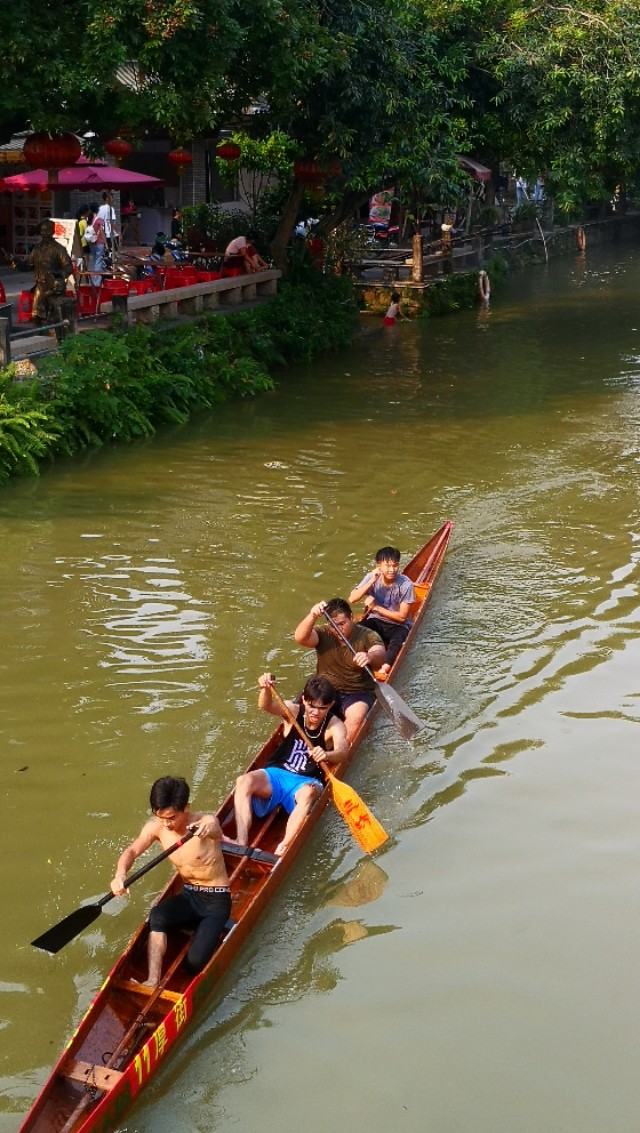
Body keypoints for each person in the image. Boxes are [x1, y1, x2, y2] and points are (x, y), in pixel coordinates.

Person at [110, 776, 231, 987]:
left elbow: (215, 829)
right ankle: (152, 980)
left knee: (194, 964)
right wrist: (120, 875)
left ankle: (203, 931)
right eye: (161, 817)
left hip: (216, 901)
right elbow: (132, 850)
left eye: (172, 817)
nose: (166, 824)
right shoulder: (156, 827)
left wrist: (206, 829)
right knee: (157, 916)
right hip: (189, 895)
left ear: (186, 807)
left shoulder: (204, 821)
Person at [233, 674, 348, 857]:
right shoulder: (293, 711)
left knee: (308, 793)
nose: (315, 713)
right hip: (277, 774)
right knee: (243, 780)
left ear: (331, 705)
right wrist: (264, 689)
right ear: (304, 700)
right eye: (311, 706)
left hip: (306, 782)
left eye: (322, 708)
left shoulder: (335, 725)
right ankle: (241, 842)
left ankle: (283, 847)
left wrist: (327, 754)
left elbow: (343, 752)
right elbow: (266, 705)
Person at [294, 598, 385, 741]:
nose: (338, 630)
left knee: (356, 717)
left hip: (357, 692)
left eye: (342, 624)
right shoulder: (324, 632)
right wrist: (312, 616)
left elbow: (380, 654)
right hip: (325, 689)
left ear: (351, 617)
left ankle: (337, 753)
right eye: (334, 625)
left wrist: (369, 656)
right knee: (300, 712)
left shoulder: (367, 635)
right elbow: (300, 638)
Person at [348, 546, 415, 676]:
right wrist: (371, 581)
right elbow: (352, 598)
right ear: (379, 565)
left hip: (398, 625)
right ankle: (350, 660)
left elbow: (402, 617)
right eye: (387, 566)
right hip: (376, 620)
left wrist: (376, 608)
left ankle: (385, 669)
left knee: (397, 641)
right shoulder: (371, 577)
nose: (392, 570)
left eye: (395, 565)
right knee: (355, 632)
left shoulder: (406, 585)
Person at [11, 219, 75, 338]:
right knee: (36, 315)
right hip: (40, 287)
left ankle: (61, 340)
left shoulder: (58, 248)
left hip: (54, 287)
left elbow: (68, 267)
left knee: (58, 316)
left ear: (53, 231)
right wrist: (15, 262)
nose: (45, 233)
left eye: (48, 230)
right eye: (43, 231)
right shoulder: (37, 249)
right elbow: (28, 265)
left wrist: (58, 275)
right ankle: (39, 340)